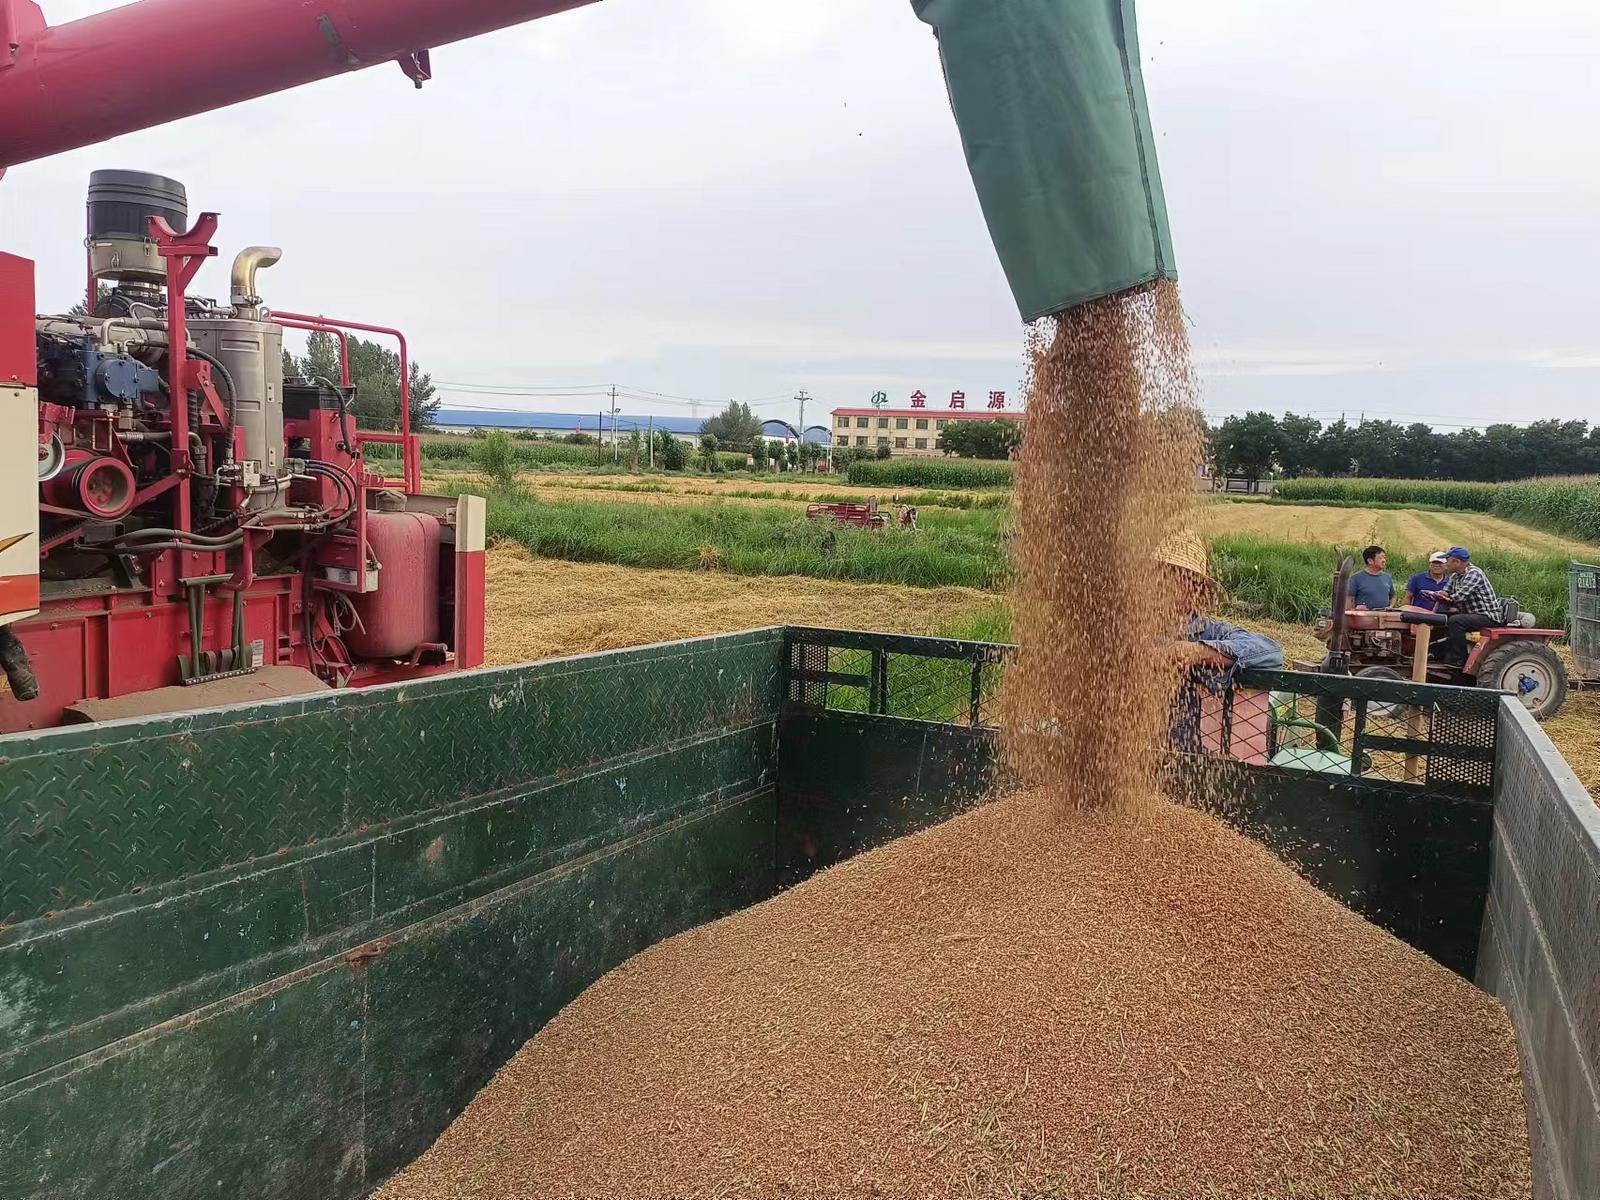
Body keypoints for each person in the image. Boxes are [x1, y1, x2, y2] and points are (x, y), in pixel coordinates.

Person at [1159, 533, 1284, 751]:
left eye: (1174, 578)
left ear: (1195, 589)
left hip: (1184, 756)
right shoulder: (1121, 629)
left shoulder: (1211, 632)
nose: (1161, 586)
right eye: (1157, 576)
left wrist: (1196, 652)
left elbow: (1271, 653)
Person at [1433, 546, 1501, 664]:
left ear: (1457, 562)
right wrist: (1437, 594)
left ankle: (1460, 659)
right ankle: (1437, 654)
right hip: (1471, 614)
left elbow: (1459, 597)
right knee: (1439, 618)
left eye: (1447, 560)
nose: (1446, 564)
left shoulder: (1474, 573)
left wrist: (1444, 597)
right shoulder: (1455, 576)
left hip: (1487, 616)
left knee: (1456, 621)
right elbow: (1446, 592)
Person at [1347, 544, 1394, 610]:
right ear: (1370, 561)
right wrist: (1354, 610)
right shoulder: (1356, 578)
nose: (1384, 560)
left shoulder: (1387, 577)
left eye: (1384, 557)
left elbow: (1393, 596)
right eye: (1380, 558)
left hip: (1384, 617)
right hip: (1363, 618)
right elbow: (1348, 599)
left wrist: (1391, 606)